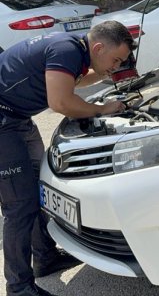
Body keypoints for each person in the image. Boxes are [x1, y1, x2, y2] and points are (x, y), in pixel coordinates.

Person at [0, 20, 136, 296]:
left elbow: (72, 78)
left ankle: (46, 257)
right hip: (3, 122)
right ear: (98, 47)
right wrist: (103, 108)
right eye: (115, 59)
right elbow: (61, 102)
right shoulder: (67, 49)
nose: (116, 65)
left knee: (38, 188)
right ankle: (18, 288)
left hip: (17, 118)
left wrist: (108, 75)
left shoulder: (74, 48)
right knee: (20, 206)